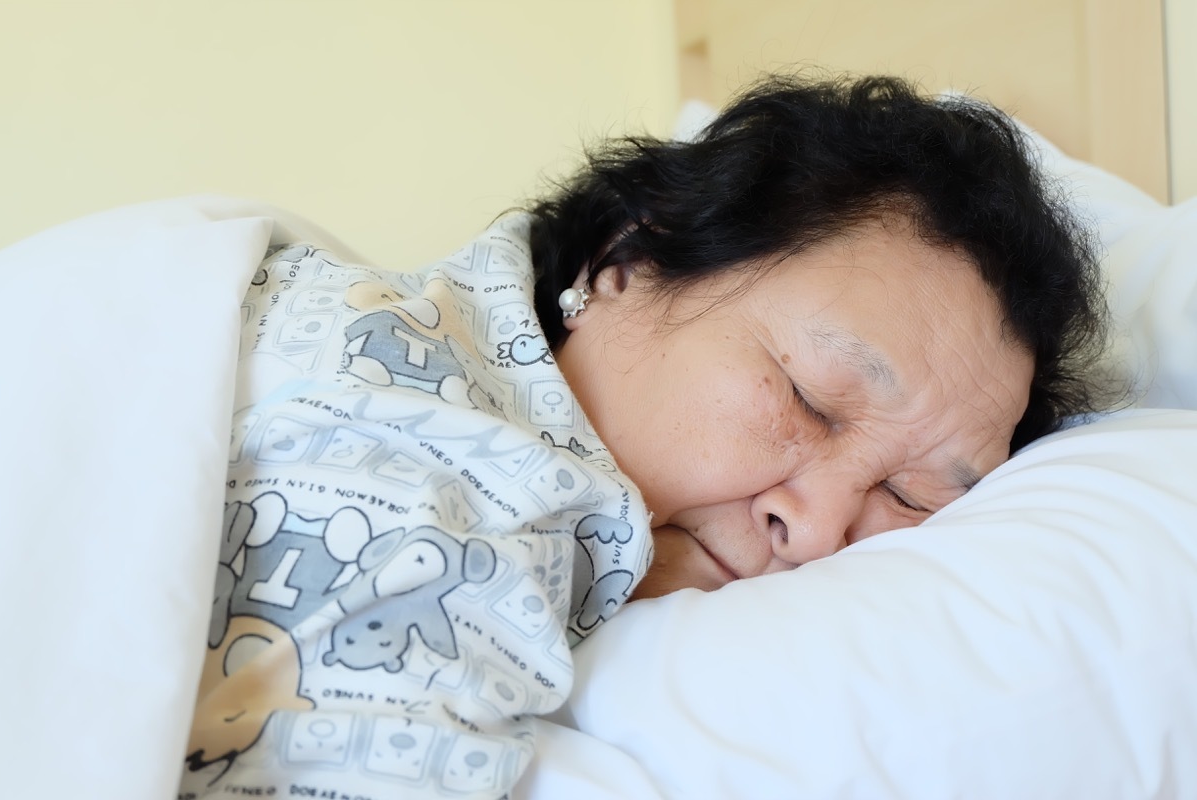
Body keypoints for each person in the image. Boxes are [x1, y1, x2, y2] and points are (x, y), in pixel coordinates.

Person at [179, 73, 1109, 798]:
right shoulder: (428, 453)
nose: (820, 528)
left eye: (910, 497)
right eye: (809, 399)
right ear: (625, 262)